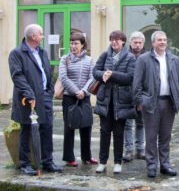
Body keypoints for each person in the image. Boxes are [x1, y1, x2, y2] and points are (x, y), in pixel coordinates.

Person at [8, 24, 63, 175]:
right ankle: (25, 163)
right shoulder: (17, 53)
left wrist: (50, 91)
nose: (43, 36)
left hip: (44, 97)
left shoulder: (42, 52)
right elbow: (17, 76)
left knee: (47, 128)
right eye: (41, 34)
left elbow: (48, 72)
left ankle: (47, 161)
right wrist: (29, 93)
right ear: (33, 36)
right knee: (26, 130)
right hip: (28, 99)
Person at [133, 30, 179, 178]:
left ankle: (165, 164)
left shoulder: (174, 59)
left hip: (169, 102)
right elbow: (137, 83)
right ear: (153, 42)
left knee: (165, 136)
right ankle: (151, 165)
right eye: (159, 40)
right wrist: (140, 101)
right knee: (151, 136)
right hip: (151, 103)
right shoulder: (143, 59)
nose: (162, 42)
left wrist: (178, 98)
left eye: (165, 40)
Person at [93, 30, 136, 174]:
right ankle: (102, 161)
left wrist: (112, 75)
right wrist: (102, 74)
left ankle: (118, 162)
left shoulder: (130, 57)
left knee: (119, 132)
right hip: (105, 99)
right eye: (112, 39)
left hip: (122, 101)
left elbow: (130, 77)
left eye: (117, 40)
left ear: (123, 41)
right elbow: (95, 71)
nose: (114, 42)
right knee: (104, 131)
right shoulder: (105, 54)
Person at [59, 32, 98, 167]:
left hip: (84, 97)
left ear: (82, 45)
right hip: (70, 97)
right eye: (71, 43)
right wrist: (76, 91)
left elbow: (92, 77)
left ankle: (86, 156)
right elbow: (63, 77)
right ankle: (69, 157)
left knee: (86, 126)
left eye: (76, 43)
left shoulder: (89, 60)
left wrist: (84, 91)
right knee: (69, 127)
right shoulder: (65, 59)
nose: (73, 46)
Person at [123, 31, 146, 162]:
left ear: (143, 44)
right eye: (135, 42)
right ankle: (128, 150)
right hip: (127, 95)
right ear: (130, 43)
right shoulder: (125, 56)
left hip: (142, 95)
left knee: (141, 123)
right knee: (127, 124)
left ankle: (140, 149)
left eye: (139, 43)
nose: (137, 45)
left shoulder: (148, 56)